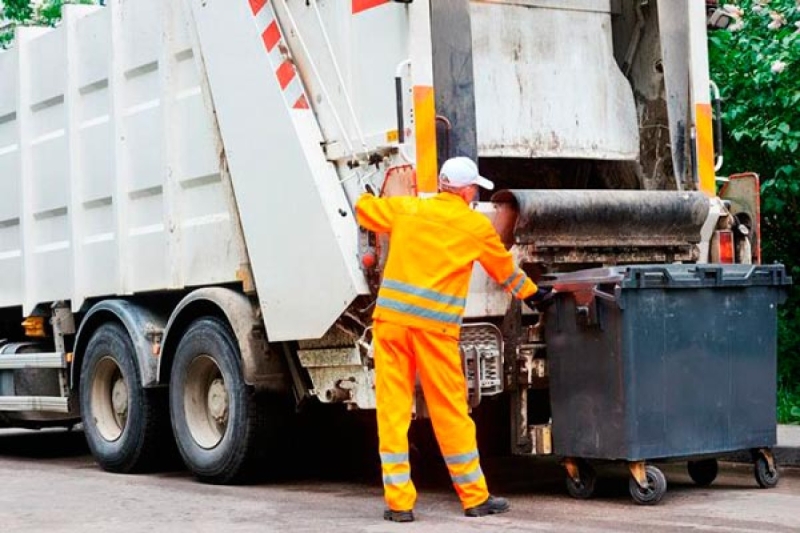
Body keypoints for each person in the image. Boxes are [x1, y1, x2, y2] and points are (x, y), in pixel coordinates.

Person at [355, 156, 553, 523]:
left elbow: (366, 211)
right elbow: (505, 271)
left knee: (393, 412)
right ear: (465, 191)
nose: (475, 192)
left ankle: (399, 505)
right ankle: (474, 498)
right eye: (474, 187)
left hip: (392, 326)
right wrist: (535, 295)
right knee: (450, 412)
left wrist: (365, 188)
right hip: (435, 332)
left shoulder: (407, 209)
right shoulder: (473, 226)